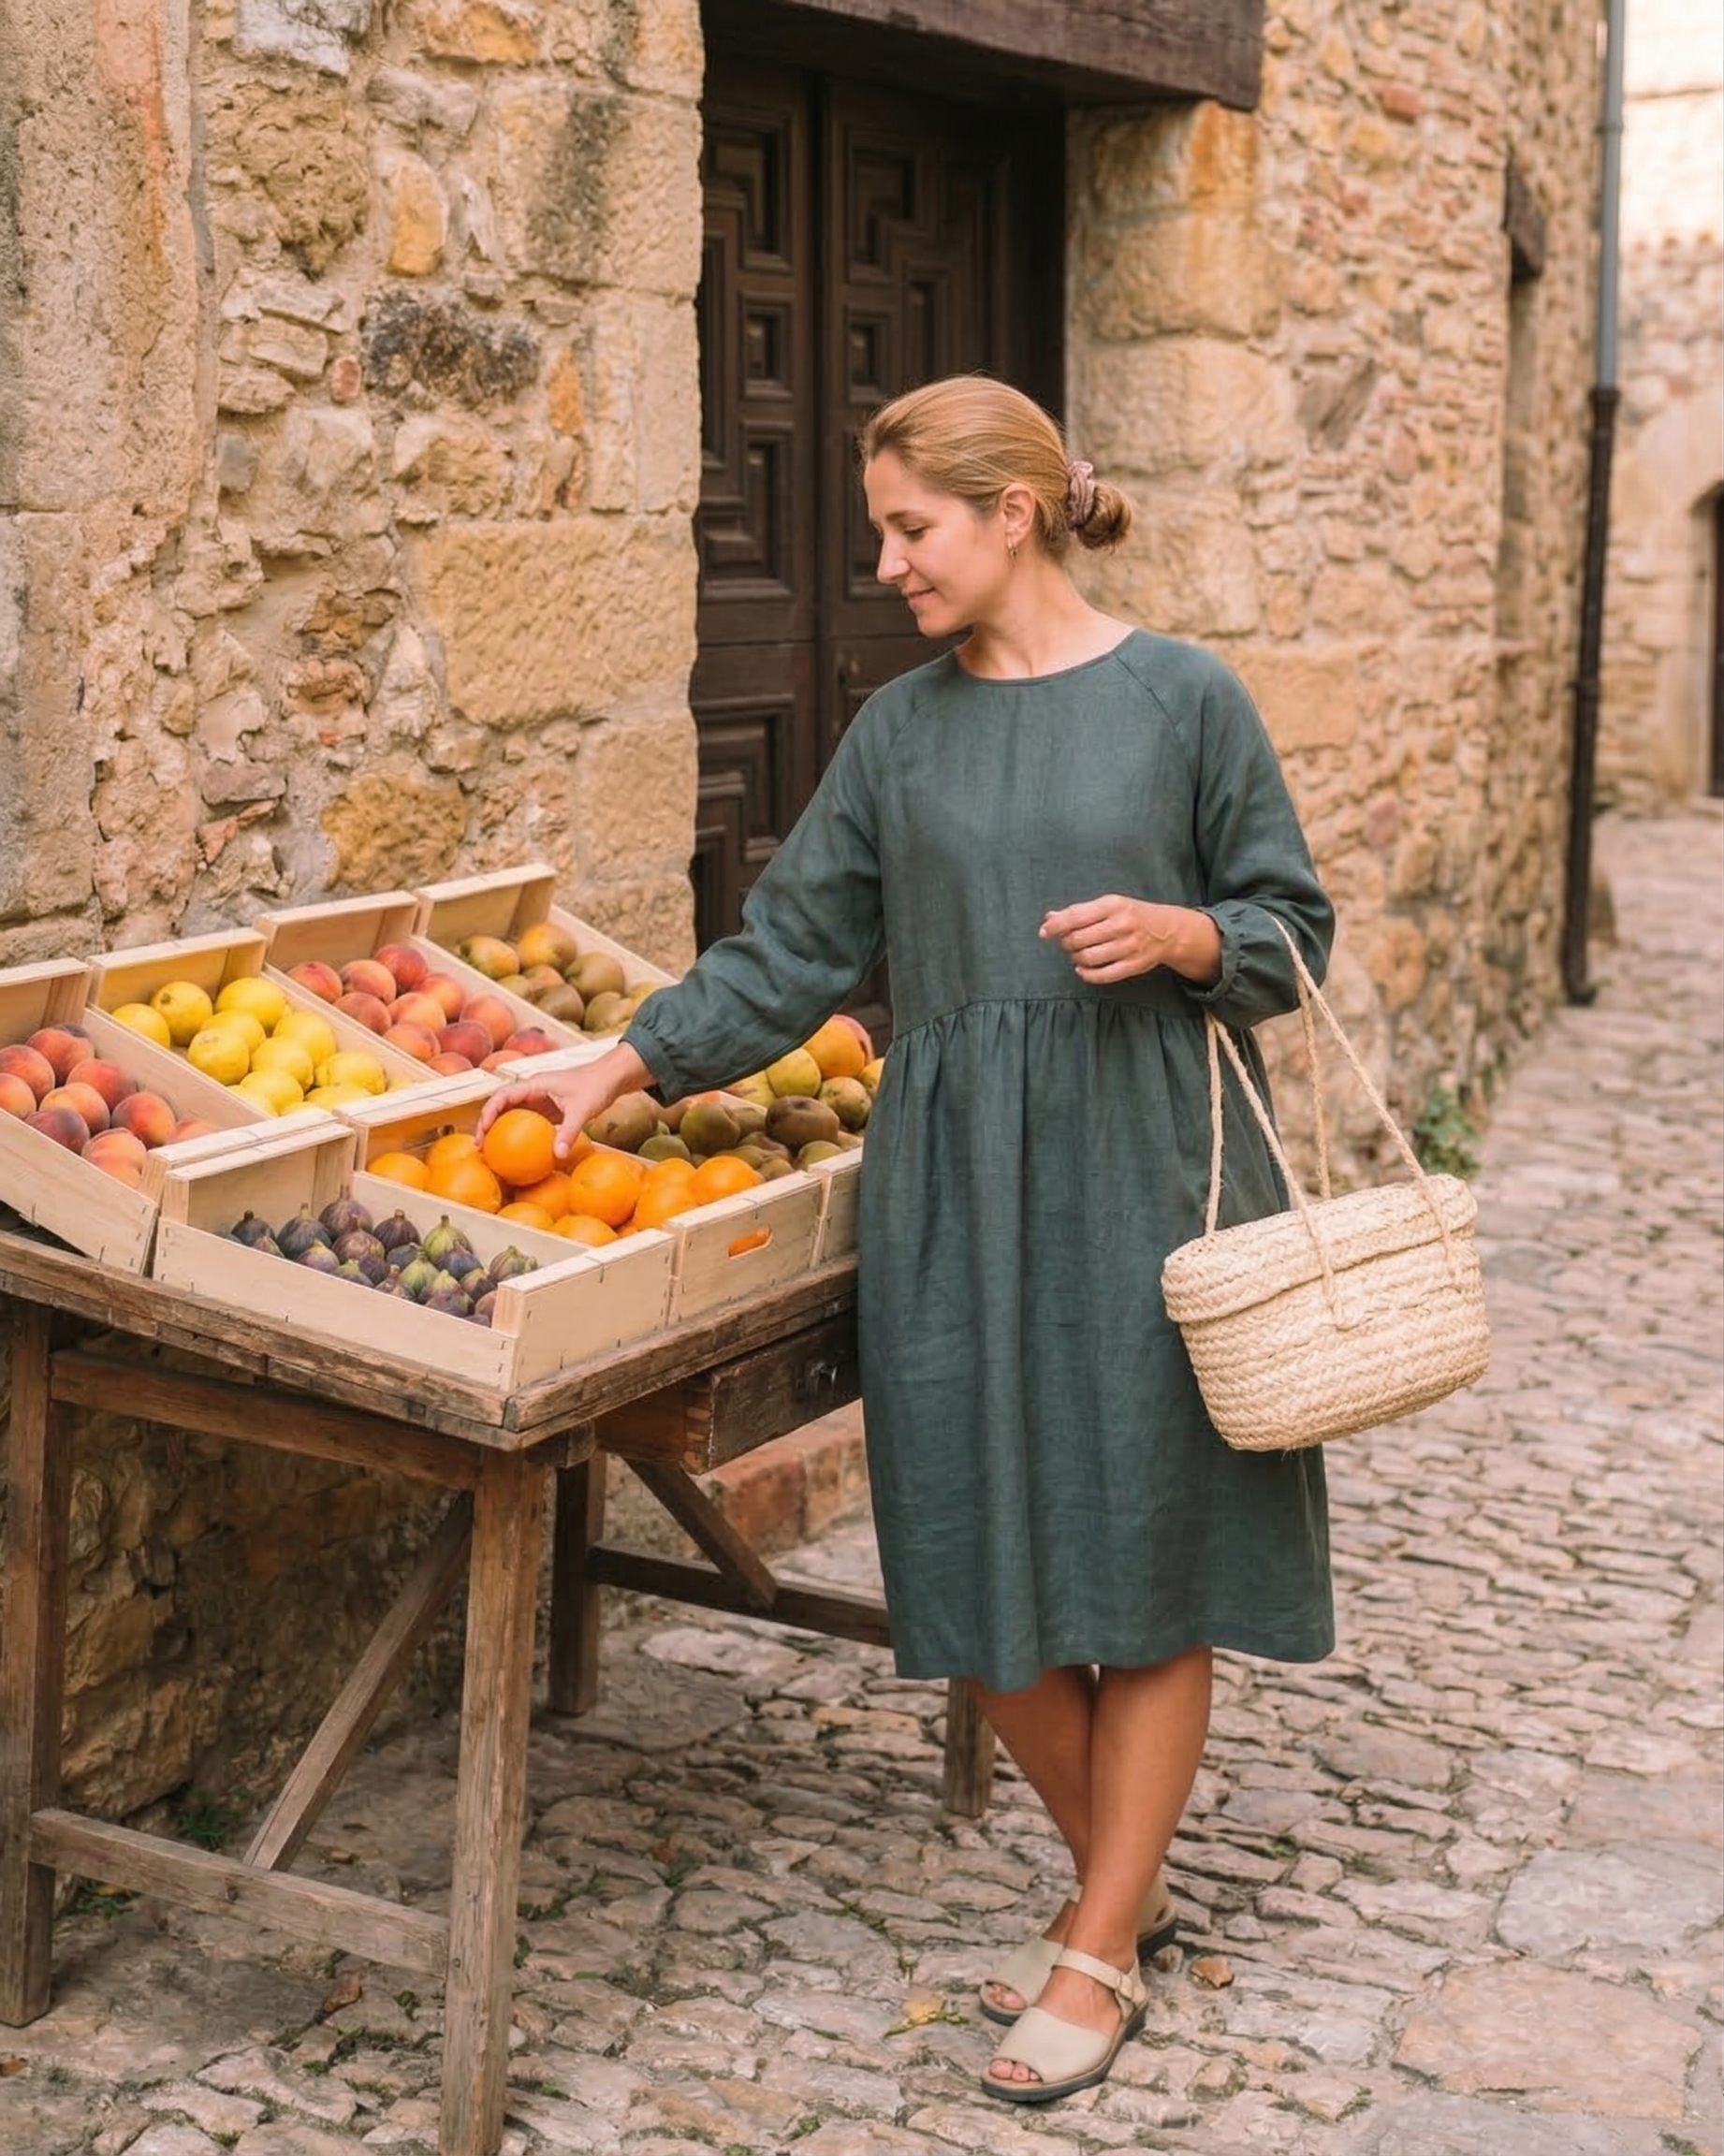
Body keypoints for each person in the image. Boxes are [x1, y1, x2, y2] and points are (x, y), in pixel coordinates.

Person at [477, 375, 1336, 2104]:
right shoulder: (901, 732)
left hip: (1151, 1165)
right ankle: (1128, 1882)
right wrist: (620, 1063)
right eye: (883, 531)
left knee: (1147, 1545)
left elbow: (1291, 933)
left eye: (909, 529)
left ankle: (1095, 1951)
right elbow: (788, 948)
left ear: (1010, 514)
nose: (883, 565)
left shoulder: (1185, 700)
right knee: (970, 1552)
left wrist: (1185, 936)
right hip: (954, 1181)